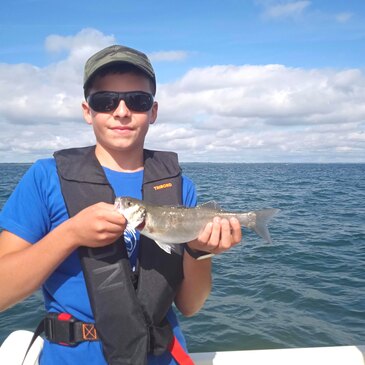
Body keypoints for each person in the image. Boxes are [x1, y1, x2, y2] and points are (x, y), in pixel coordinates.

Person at [0, 45, 242, 365]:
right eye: (106, 101)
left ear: (153, 111)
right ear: (88, 111)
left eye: (137, 101)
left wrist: (201, 251)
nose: (122, 111)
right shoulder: (45, 178)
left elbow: (190, 306)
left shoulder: (181, 188)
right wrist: (69, 234)